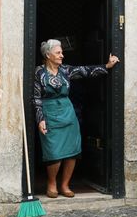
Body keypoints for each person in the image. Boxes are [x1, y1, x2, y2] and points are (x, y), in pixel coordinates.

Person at [32, 39, 120, 198]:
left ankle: (65, 185)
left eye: (61, 52)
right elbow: (36, 98)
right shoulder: (39, 72)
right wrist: (40, 119)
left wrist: (107, 66)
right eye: (58, 53)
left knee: (72, 151)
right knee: (53, 151)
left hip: (67, 113)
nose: (62, 55)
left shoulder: (65, 70)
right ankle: (52, 183)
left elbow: (85, 70)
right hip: (49, 113)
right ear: (48, 55)